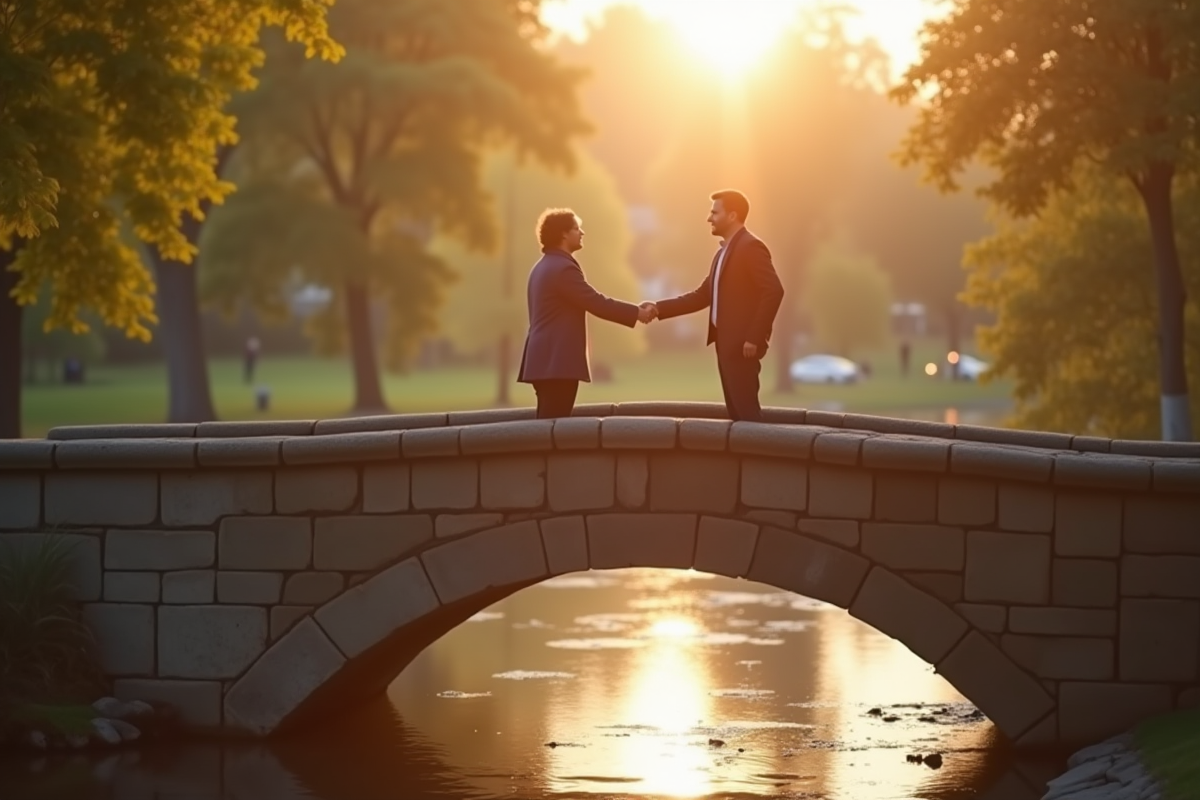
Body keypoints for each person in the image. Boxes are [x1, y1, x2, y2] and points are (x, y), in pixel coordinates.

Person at [641, 190, 784, 422]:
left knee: (747, 415)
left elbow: (774, 290)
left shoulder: (751, 247)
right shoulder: (722, 254)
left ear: (732, 216)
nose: (709, 218)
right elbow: (701, 296)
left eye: (714, 213)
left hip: (742, 348)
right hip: (727, 345)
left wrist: (754, 337)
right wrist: (658, 308)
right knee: (737, 415)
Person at [518, 208, 655, 419]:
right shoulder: (563, 268)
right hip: (557, 363)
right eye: (576, 228)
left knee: (547, 423)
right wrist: (637, 313)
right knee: (554, 428)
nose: (582, 232)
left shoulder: (541, 267)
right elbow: (596, 302)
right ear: (563, 234)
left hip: (542, 361)